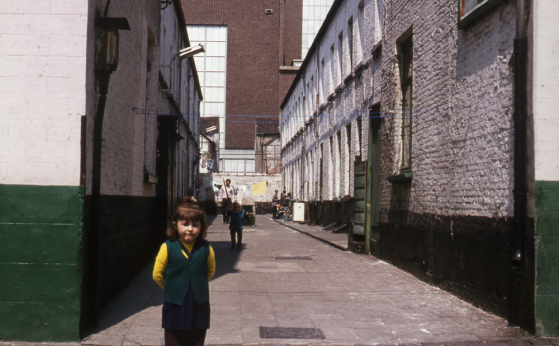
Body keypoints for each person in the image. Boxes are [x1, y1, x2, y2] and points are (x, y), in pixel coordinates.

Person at [153, 197, 216, 346]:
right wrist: (172, 287)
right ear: (175, 225)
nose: (190, 228)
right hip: (174, 306)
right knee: (173, 340)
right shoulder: (168, 247)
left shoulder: (206, 248)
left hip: (199, 306)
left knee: (196, 341)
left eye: (195, 225)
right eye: (185, 224)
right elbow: (157, 274)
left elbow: (210, 271)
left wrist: (195, 281)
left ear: (202, 226)